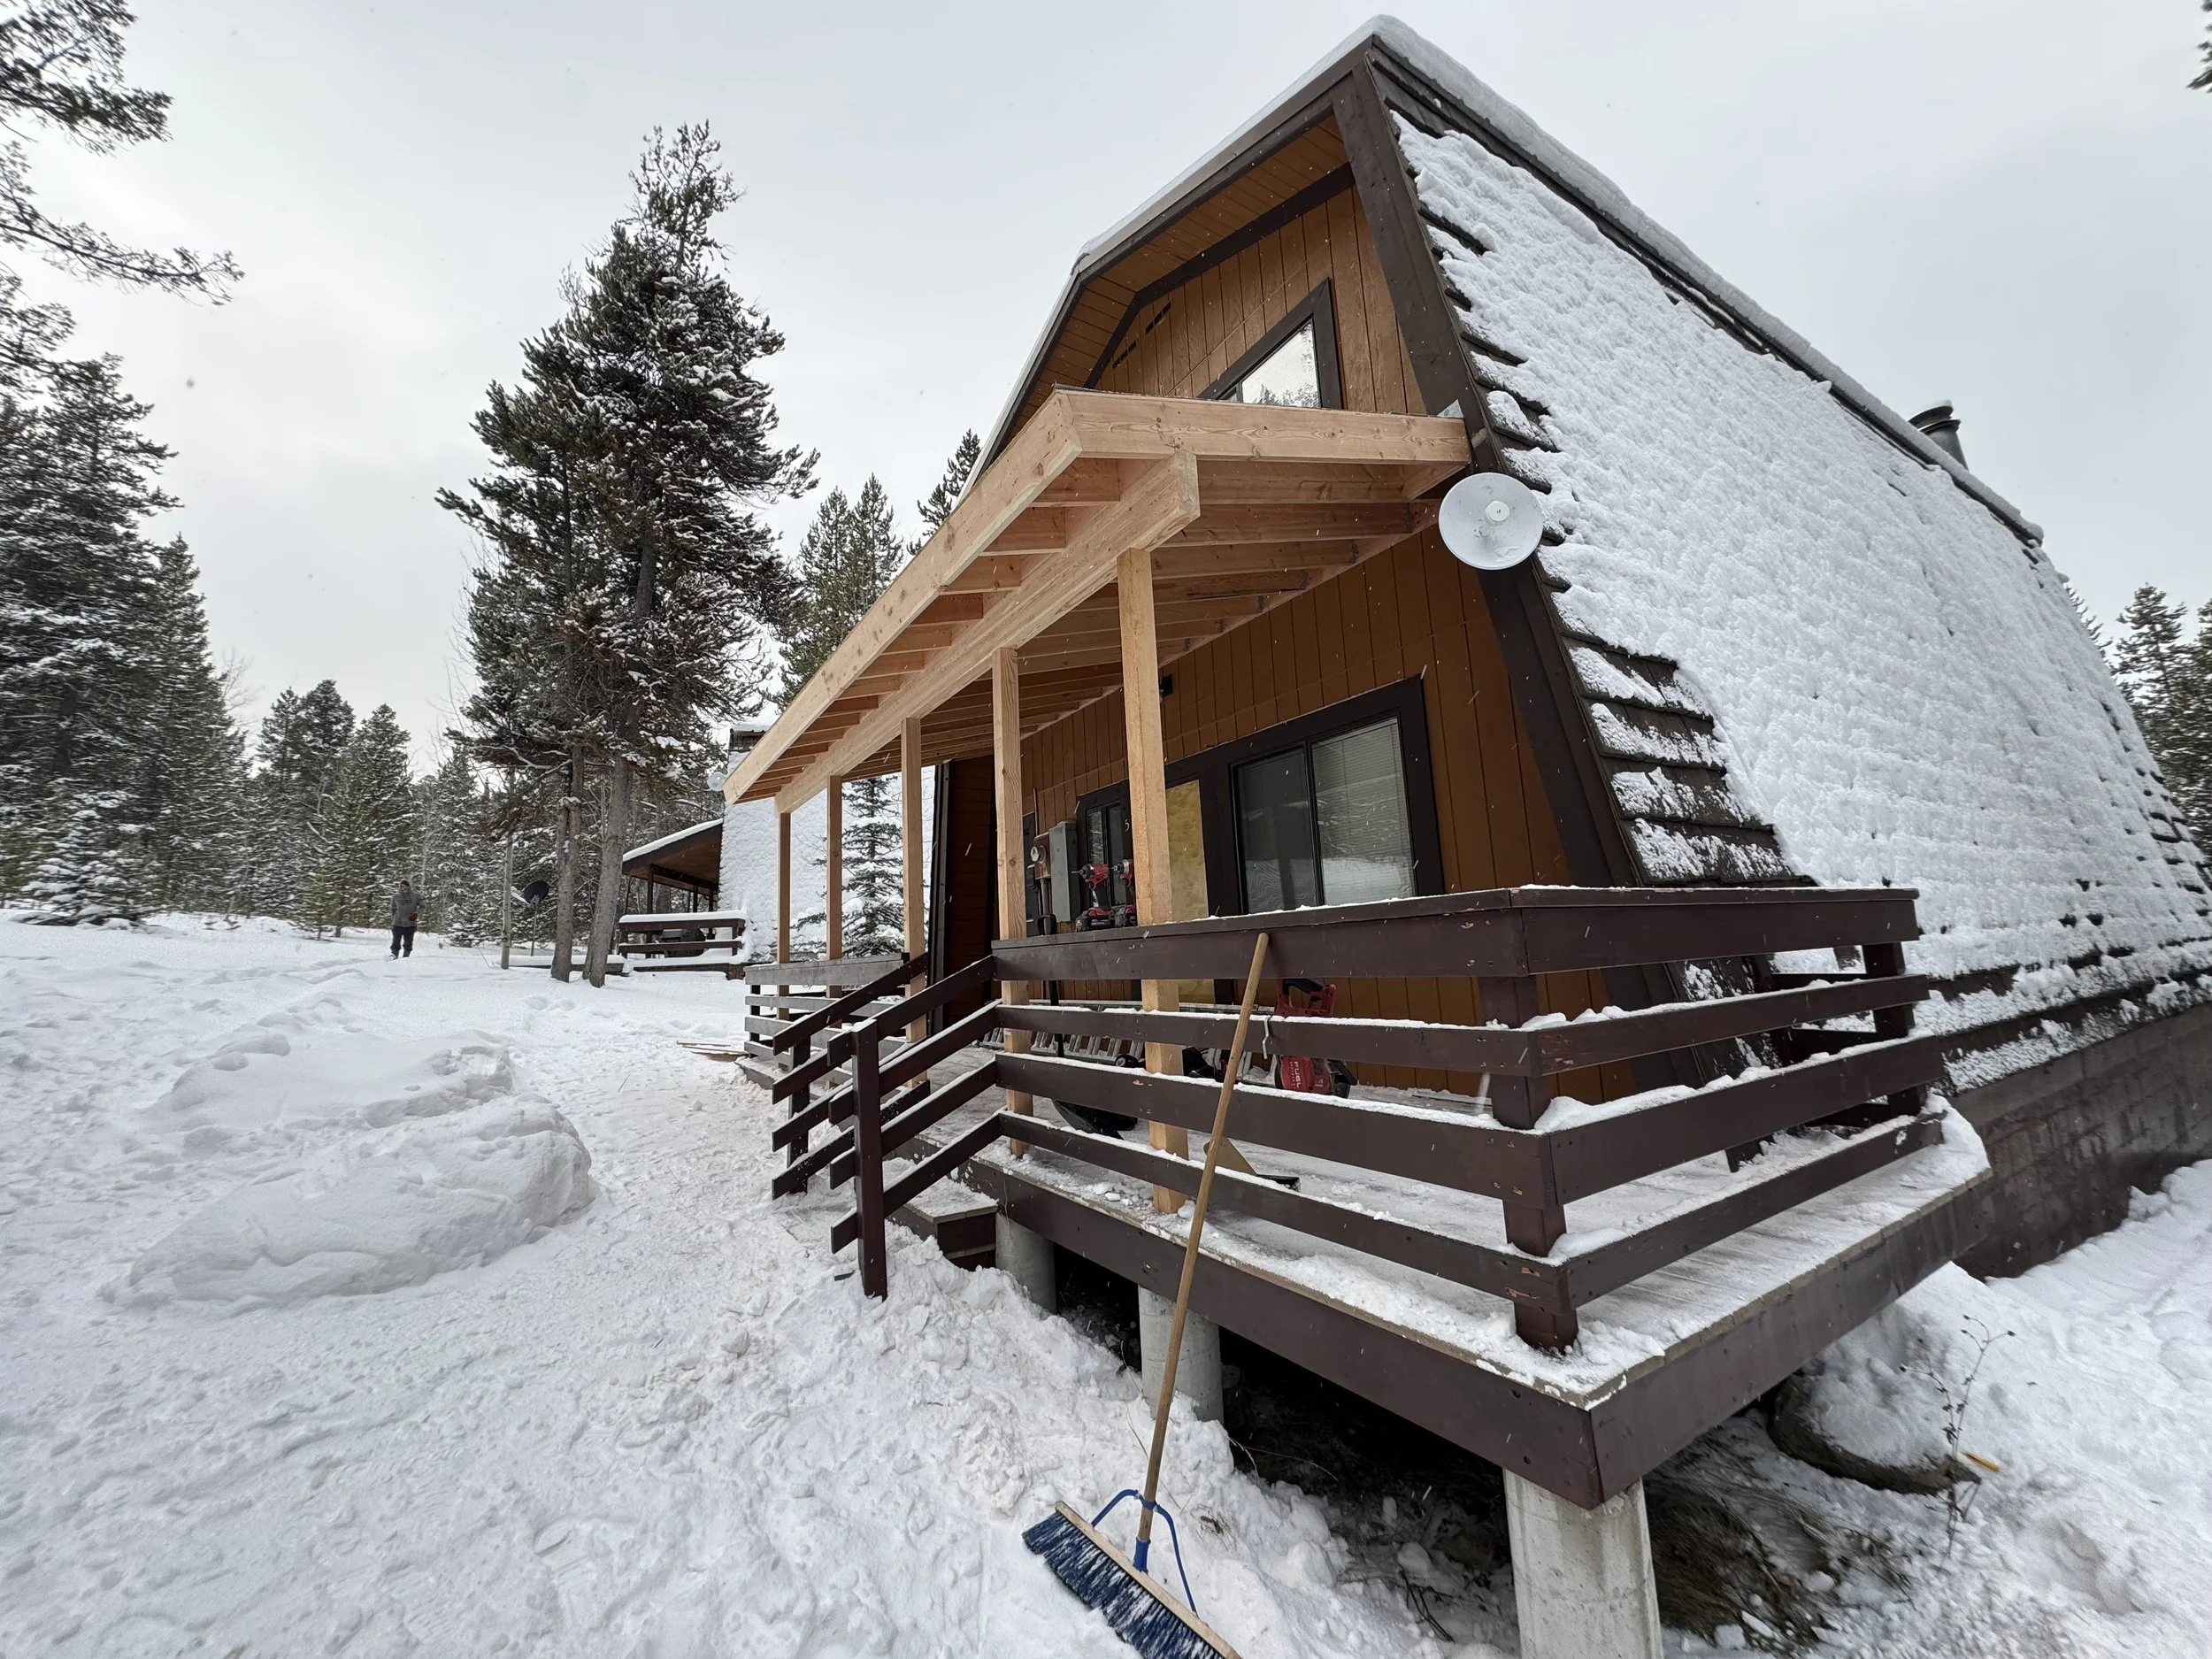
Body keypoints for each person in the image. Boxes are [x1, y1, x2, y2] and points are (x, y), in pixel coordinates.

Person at [390, 880, 420, 958]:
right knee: (395, 942)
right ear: (400, 887)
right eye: (402, 886)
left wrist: (416, 914)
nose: (404, 888)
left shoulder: (415, 896)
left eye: (406, 886)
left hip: (410, 924)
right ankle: (394, 956)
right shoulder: (396, 896)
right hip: (397, 924)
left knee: (408, 943)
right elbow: (392, 909)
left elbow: (423, 906)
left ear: (409, 886)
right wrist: (393, 919)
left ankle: (406, 957)